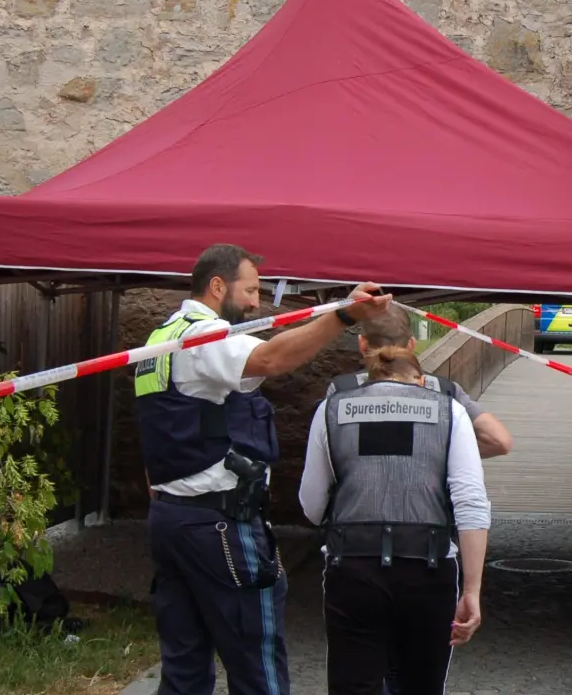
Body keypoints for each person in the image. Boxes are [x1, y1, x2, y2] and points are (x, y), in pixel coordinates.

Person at [134, 243, 390, 695]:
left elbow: (165, 425)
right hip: (219, 525)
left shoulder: (160, 338)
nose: (256, 302)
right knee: (258, 666)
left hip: (171, 521)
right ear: (217, 286)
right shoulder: (203, 336)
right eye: (251, 290)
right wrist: (344, 316)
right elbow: (271, 360)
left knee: (183, 670)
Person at [299, 337, 491, 695]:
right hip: (427, 567)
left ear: (370, 378)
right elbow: (471, 503)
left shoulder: (332, 409)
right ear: (419, 380)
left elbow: (311, 506)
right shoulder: (450, 411)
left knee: (354, 682)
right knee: (420, 684)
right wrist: (472, 589)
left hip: (353, 566)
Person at [353, 305, 514, 459]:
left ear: (362, 344)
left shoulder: (342, 390)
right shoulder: (444, 390)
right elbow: (500, 441)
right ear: (411, 344)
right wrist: (443, 455)